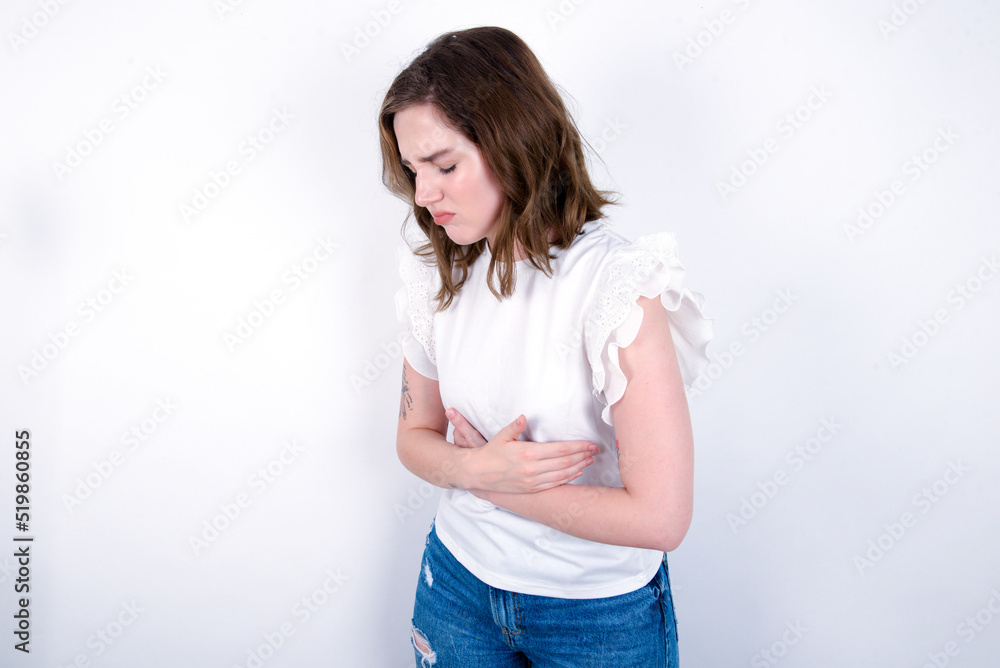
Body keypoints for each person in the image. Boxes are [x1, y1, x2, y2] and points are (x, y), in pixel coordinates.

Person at [379, 26, 713, 667]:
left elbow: (661, 519)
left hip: (595, 618)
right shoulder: (436, 274)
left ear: (514, 142)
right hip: (457, 592)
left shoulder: (615, 288)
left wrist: (495, 485)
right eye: (414, 170)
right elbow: (412, 435)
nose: (423, 196)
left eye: (445, 166)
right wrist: (475, 470)